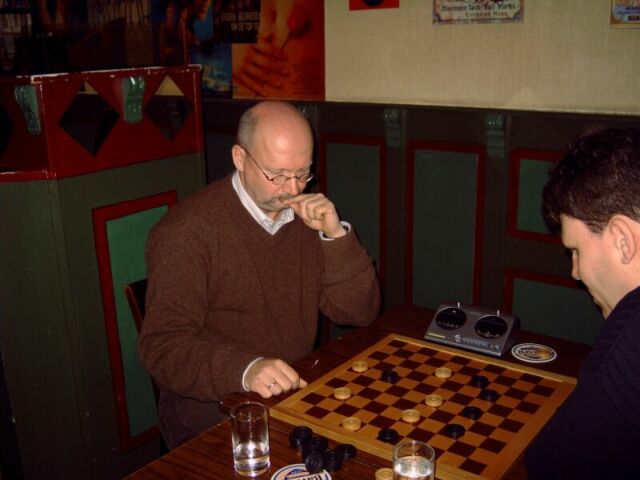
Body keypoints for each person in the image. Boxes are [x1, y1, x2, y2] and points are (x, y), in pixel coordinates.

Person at [138, 100, 381, 449]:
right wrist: (245, 370)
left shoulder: (307, 219)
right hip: (210, 406)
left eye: (303, 173)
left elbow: (359, 313)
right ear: (240, 158)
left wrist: (335, 236)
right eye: (277, 175)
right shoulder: (185, 233)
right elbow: (161, 348)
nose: (293, 189)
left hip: (293, 389)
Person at [525, 127, 640, 478]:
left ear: (622, 240)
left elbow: (548, 466)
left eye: (576, 250)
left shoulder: (629, 341)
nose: (575, 272)